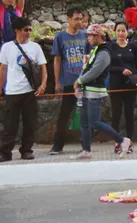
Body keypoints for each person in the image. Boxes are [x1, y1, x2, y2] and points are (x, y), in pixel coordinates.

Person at [72, 24, 130, 160]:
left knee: (94, 122)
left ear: (97, 36)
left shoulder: (104, 52)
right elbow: (86, 68)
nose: (88, 38)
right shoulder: (96, 49)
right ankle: (86, 150)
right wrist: (80, 82)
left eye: (90, 35)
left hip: (94, 91)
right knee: (84, 122)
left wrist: (79, 81)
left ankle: (122, 140)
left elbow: (95, 71)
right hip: (86, 90)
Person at [0, 16, 46, 162]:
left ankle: (26, 150)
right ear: (17, 30)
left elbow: (43, 68)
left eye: (30, 29)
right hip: (12, 91)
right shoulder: (7, 47)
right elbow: (3, 69)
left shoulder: (35, 47)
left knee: (30, 123)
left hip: (30, 91)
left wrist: (43, 85)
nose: (29, 32)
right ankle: (5, 152)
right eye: (26, 30)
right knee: (9, 124)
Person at [49, 7, 87, 155]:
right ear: (68, 19)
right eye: (76, 19)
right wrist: (58, 81)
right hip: (68, 82)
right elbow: (57, 60)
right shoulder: (60, 37)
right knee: (64, 114)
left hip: (84, 81)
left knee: (85, 113)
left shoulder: (85, 36)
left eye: (81, 18)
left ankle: (86, 144)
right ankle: (58, 145)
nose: (79, 22)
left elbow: (89, 58)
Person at [109, 21, 137, 155]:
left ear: (127, 32)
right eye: (119, 30)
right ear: (115, 32)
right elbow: (108, 66)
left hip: (130, 84)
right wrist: (120, 70)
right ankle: (117, 142)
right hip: (116, 84)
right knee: (116, 114)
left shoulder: (133, 47)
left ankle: (129, 142)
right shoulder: (111, 47)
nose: (121, 33)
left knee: (130, 114)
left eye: (123, 30)